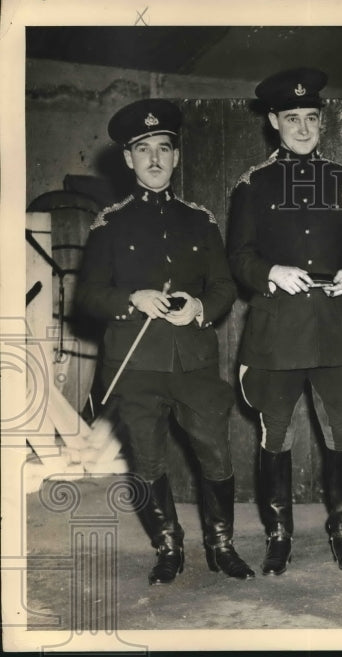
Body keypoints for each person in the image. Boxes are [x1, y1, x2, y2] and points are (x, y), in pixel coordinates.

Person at [78, 99, 254, 584]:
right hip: (135, 366)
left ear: (175, 157)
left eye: (163, 148)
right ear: (129, 160)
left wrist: (201, 308)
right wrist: (133, 297)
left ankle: (221, 544)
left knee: (215, 454)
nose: (154, 159)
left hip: (194, 362)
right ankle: (168, 546)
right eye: (143, 150)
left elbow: (223, 287)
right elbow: (88, 296)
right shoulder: (109, 225)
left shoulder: (201, 220)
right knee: (149, 458)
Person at [228, 68, 342, 576]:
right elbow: (238, 256)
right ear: (273, 121)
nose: (304, 128)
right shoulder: (254, 184)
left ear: (322, 121)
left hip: (335, 327)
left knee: (341, 433)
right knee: (276, 435)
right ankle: (279, 534)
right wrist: (270, 272)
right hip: (277, 331)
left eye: (312, 117)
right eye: (292, 118)